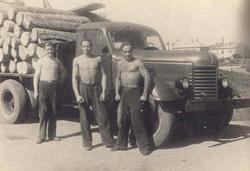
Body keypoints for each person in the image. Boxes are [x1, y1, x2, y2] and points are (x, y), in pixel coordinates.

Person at [72, 39, 115, 151]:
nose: (86, 48)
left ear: (91, 46)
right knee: (85, 116)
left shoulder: (98, 59)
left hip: (96, 88)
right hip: (83, 88)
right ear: (81, 47)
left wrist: (104, 91)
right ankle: (87, 143)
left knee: (102, 115)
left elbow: (104, 75)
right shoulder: (77, 60)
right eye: (84, 46)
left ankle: (108, 141)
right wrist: (77, 95)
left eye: (88, 46)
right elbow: (74, 78)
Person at [112, 42, 152, 155]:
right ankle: (121, 144)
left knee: (137, 120)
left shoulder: (137, 62)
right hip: (124, 92)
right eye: (125, 52)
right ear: (122, 52)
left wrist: (144, 94)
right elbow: (118, 78)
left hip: (135, 92)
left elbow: (147, 78)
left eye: (129, 51)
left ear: (132, 51)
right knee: (123, 120)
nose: (128, 53)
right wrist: (117, 93)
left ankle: (145, 147)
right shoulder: (120, 64)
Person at [34, 42, 66, 144]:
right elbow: (36, 76)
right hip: (43, 86)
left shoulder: (57, 61)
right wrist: (36, 91)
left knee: (53, 110)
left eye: (51, 49)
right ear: (44, 51)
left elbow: (64, 72)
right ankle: (41, 136)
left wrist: (60, 81)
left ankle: (52, 135)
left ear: (54, 50)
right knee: (43, 111)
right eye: (47, 50)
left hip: (53, 87)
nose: (49, 51)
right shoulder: (41, 61)